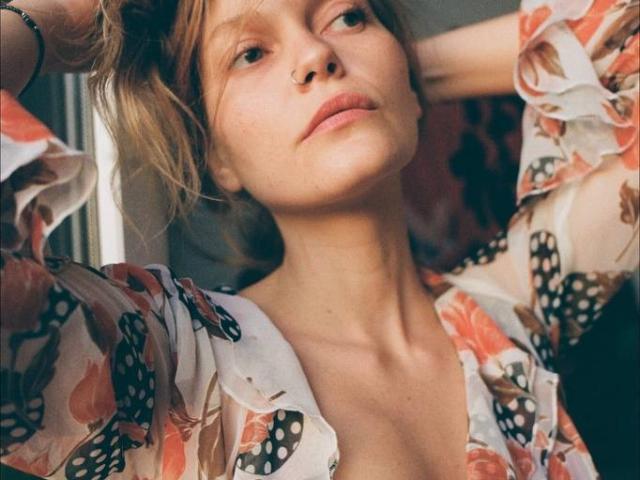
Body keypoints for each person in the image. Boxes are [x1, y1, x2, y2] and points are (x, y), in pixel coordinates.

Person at [0, 0, 637, 478]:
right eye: (251, 53)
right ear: (216, 155)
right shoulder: (174, 369)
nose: (316, 55)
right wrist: (48, 20)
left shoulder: (503, 323)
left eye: (348, 16)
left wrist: (406, 79)